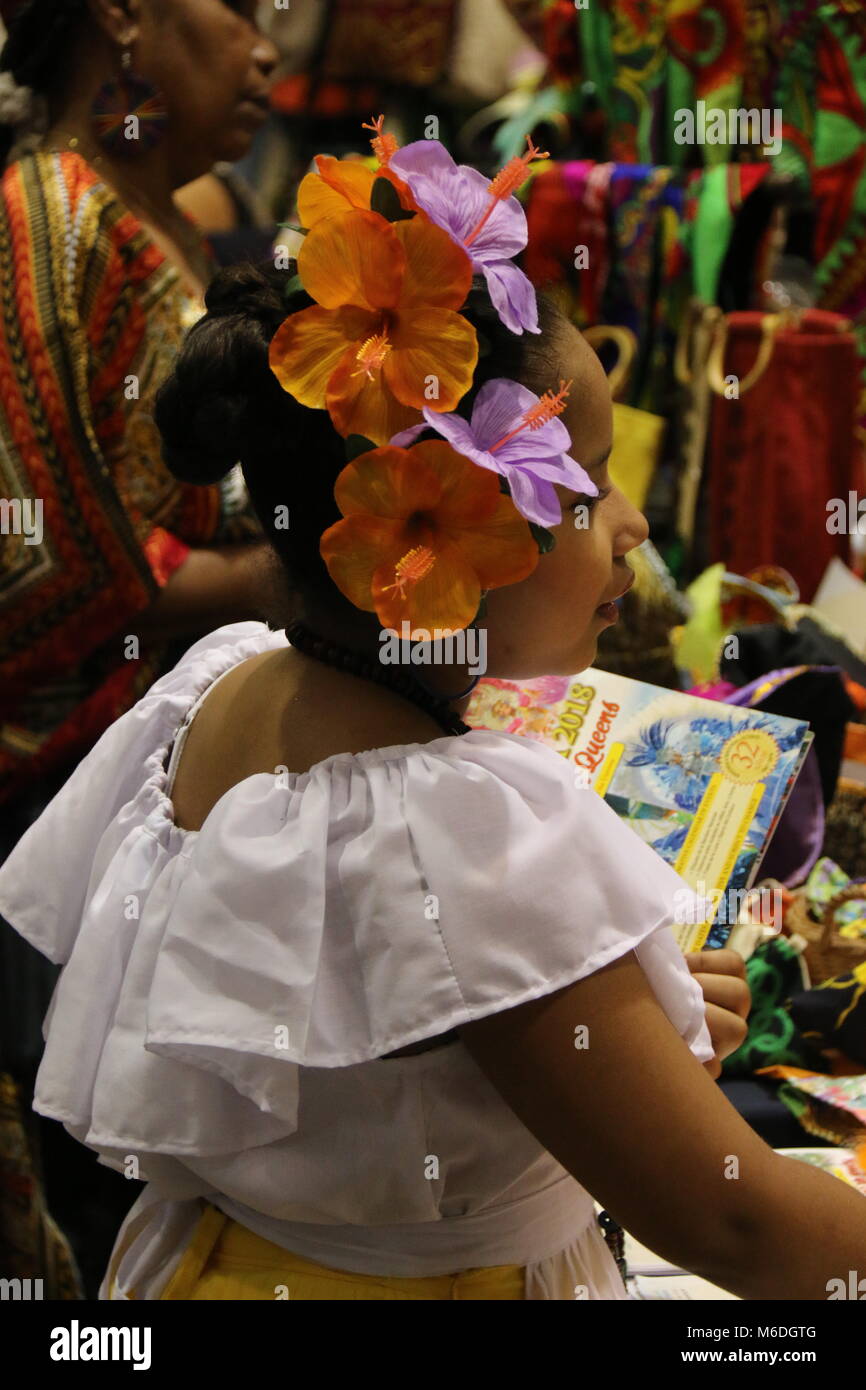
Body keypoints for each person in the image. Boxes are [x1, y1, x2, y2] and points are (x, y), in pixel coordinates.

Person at [2, 129, 866, 1303]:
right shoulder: (460, 832)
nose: (631, 527)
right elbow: (736, 1221)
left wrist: (621, 1022)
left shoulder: (220, 687)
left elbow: (397, 1062)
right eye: (583, 481)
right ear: (441, 530)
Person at [0, 0, 279, 1294]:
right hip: (51, 795)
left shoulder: (151, 223)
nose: (267, 49)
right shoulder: (56, 224)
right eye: (236, 9)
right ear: (122, 16)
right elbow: (61, 568)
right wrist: (353, 560)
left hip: (137, 776)